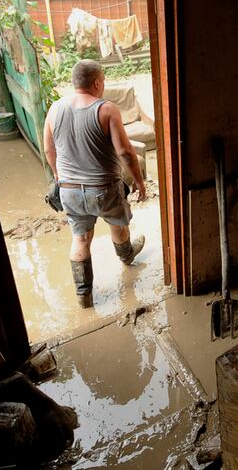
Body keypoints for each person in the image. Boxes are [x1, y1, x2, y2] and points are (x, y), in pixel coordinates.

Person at [43, 59, 147, 305]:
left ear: (74, 82)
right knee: (118, 225)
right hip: (104, 189)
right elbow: (125, 153)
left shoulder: (55, 109)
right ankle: (126, 256)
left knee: (80, 239)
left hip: (69, 191)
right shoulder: (107, 109)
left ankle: (84, 295)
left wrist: (59, 175)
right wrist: (140, 182)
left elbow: (49, 149)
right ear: (98, 82)